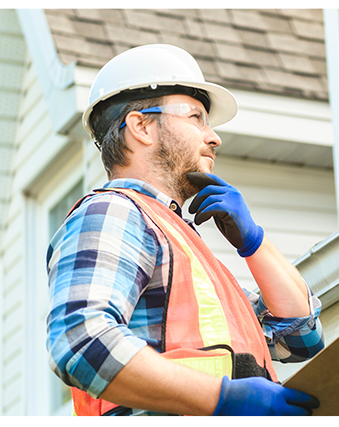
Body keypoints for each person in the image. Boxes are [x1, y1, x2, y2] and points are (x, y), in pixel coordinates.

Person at [45, 44, 324, 417]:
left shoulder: (187, 251)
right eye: (196, 117)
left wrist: (254, 242)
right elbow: (80, 341)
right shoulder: (114, 211)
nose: (213, 138)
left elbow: (301, 339)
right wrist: (222, 399)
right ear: (141, 126)